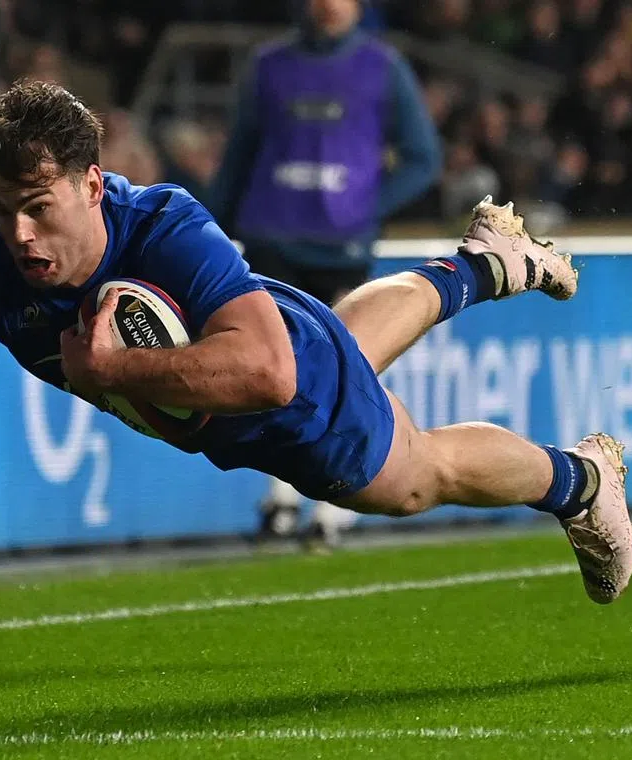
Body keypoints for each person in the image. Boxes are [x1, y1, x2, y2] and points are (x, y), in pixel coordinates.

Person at [0, 80, 632, 607]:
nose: (18, 231)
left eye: (38, 205)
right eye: (2, 206)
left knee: (412, 479)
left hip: (271, 382)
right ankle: (480, 266)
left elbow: (271, 374)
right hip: (266, 348)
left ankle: (582, 480)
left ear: (90, 185)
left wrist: (113, 367)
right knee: (345, 346)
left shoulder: (163, 226)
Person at [209, 0, 444, 549]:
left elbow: (423, 157)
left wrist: (365, 207)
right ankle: (283, 497)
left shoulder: (383, 67)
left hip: (340, 249)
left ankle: (339, 499)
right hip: (272, 236)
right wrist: (211, 225)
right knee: (271, 369)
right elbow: (240, 154)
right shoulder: (268, 65)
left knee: (348, 365)